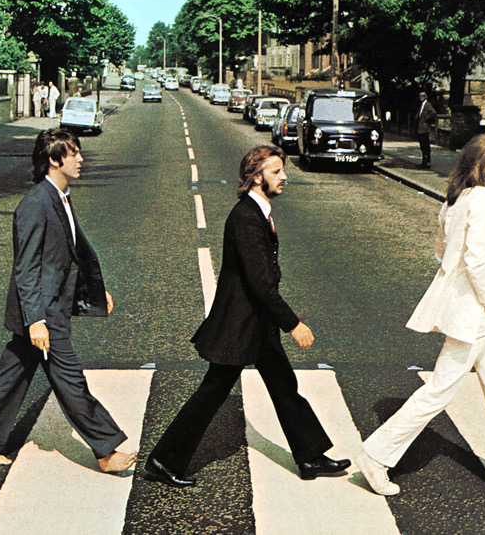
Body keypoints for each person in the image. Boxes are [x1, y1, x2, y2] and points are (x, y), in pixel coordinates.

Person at [354, 133, 485, 497]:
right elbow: (478, 260)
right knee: (438, 391)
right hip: (476, 313)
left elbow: (441, 248)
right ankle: (376, 455)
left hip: (471, 311)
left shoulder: (458, 198)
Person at [145, 145, 350, 488]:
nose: (284, 177)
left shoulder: (257, 212)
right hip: (241, 325)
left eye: (282, 170)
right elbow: (259, 284)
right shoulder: (245, 218)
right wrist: (293, 324)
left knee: (284, 385)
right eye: (275, 172)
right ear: (257, 178)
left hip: (256, 324)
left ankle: (311, 456)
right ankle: (165, 460)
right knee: (213, 390)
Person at [0, 128, 136, 474]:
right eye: (73, 154)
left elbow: (67, 256)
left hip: (51, 303)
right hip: (44, 310)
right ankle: (105, 448)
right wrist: (36, 319)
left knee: (12, 372)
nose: (81, 159)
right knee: (71, 381)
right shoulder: (36, 204)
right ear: (54, 160)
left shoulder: (60, 196)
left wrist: (94, 293)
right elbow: (25, 268)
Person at [416, 90, 438, 168]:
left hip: (425, 128)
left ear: (426, 97)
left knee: (425, 146)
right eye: (420, 96)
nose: (420, 97)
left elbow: (433, 113)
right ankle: (424, 162)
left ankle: (427, 163)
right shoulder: (422, 105)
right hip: (421, 129)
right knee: (422, 146)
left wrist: (426, 120)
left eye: (422, 96)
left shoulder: (428, 105)